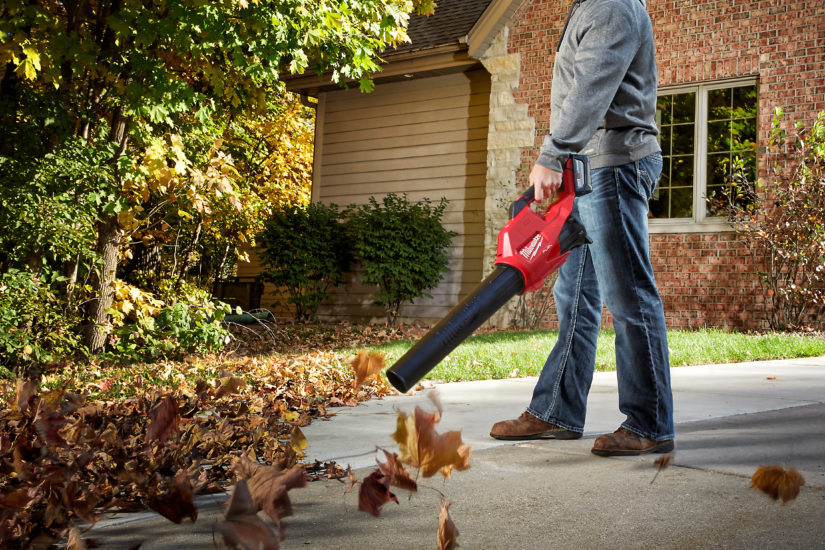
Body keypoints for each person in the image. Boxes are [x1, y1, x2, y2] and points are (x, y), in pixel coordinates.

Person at [489, 0, 675, 456]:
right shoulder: (589, 5)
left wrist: (552, 155)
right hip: (588, 169)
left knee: (628, 294)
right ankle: (556, 410)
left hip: (613, 164)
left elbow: (591, 87)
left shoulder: (612, 5)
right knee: (574, 298)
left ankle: (649, 423)